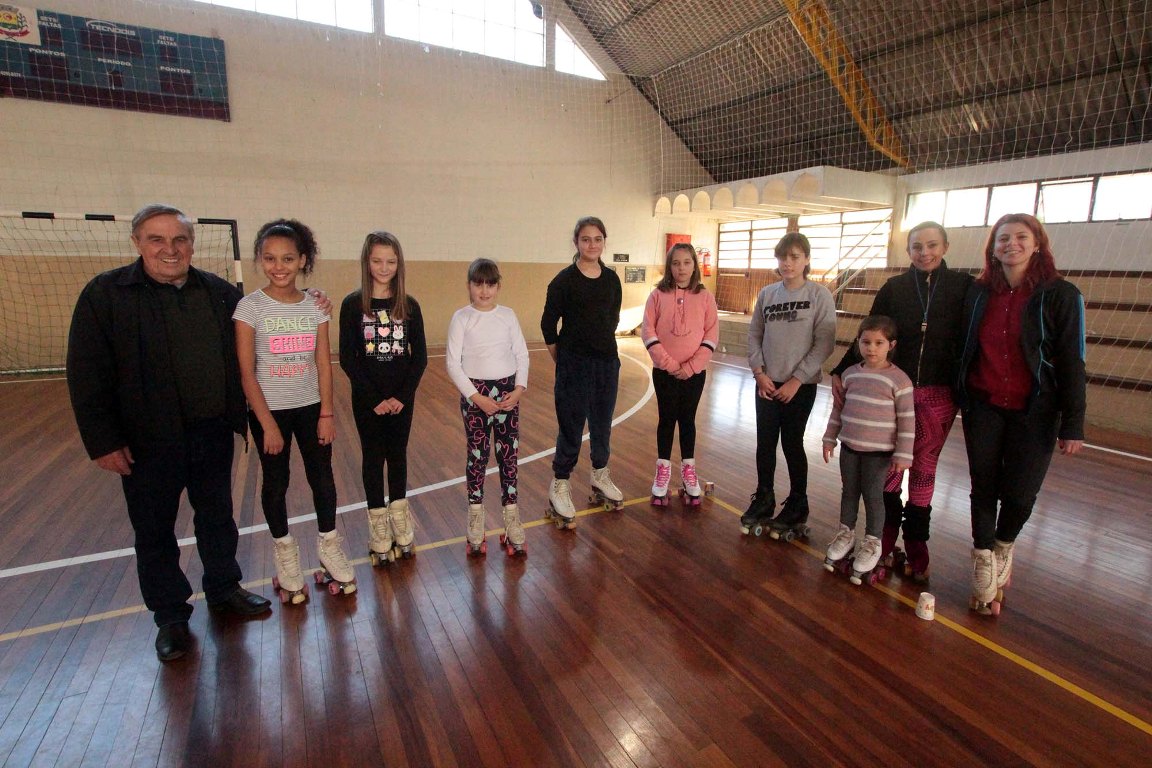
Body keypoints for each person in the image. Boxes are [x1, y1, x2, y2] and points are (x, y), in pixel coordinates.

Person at [66, 204, 273, 662]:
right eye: (156, 239)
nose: (169, 249)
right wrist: (103, 441)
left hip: (211, 431)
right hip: (146, 442)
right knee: (154, 529)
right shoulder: (106, 295)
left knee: (217, 516)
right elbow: (85, 372)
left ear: (191, 245)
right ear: (137, 243)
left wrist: (313, 301)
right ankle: (171, 616)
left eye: (179, 239)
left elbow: (263, 329)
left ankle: (224, 588)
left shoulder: (219, 294)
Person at [957, 213, 1085, 614]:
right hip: (984, 406)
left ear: (1037, 244)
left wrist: (1073, 422)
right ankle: (982, 557)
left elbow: (1072, 360)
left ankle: (1002, 545)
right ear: (993, 249)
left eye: (1020, 237)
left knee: (1020, 493)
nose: (1011, 244)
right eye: (1002, 238)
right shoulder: (978, 293)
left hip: (1036, 411)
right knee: (983, 485)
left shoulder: (1061, 295)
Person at [830, 221, 972, 583]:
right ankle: (883, 538)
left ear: (945, 246)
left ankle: (917, 545)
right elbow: (869, 332)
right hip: (893, 391)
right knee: (888, 470)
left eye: (932, 245)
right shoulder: (894, 288)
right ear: (908, 250)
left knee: (923, 470)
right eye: (917, 246)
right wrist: (841, 369)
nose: (925, 252)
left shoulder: (963, 287)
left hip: (939, 395)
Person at [234, 219, 355, 603]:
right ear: (260, 260)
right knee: (276, 482)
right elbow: (247, 373)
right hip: (270, 413)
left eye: (287, 258)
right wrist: (267, 424)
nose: (279, 266)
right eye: (270, 258)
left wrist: (327, 413)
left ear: (303, 259)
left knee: (323, 478)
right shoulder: (250, 307)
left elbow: (322, 364)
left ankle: (329, 545)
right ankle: (285, 552)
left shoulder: (315, 306)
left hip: (310, 409)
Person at [340, 230, 428, 564]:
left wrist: (402, 396)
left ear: (399, 264)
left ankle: (400, 516)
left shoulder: (409, 306)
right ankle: (378, 523)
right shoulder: (352, 305)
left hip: (402, 399)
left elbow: (419, 358)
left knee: (398, 456)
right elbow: (348, 358)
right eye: (377, 261)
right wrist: (374, 398)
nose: (384, 267)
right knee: (373, 459)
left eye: (391, 261)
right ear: (367, 262)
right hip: (368, 400)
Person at [741, 232, 837, 538]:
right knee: (765, 442)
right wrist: (759, 373)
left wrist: (797, 379)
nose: (788, 263)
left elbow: (824, 343)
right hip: (768, 383)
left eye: (794, 257)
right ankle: (764, 497)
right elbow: (755, 335)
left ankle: (797, 503)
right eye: (783, 257)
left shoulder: (819, 296)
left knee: (792, 443)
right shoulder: (768, 294)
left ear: (806, 259)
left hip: (800, 386)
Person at [540, 216, 624, 527]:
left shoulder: (612, 280)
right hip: (573, 366)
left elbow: (612, 320)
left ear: (604, 242)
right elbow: (548, 325)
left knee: (602, 425)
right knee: (571, 427)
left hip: (606, 364)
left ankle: (600, 475)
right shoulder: (563, 281)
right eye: (586, 239)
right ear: (576, 242)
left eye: (597, 239)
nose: (592, 244)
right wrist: (563, 360)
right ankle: (560, 483)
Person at [445, 258, 530, 557]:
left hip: (507, 395)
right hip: (476, 398)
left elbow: (522, 355)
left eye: (490, 284)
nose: (484, 291)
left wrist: (518, 390)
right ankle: (476, 516)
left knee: (509, 457)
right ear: (469, 285)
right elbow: (453, 364)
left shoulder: (508, 316)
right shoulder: (462, 318)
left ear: (498, 286)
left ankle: (512, 516)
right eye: (478, 284)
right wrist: (476, 397)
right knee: (477, 456)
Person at [822, 316, 915, 584]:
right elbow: (838, 410)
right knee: (849, 491)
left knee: (873, 496)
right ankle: (846, 533)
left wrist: (903, 454)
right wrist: (829, 438)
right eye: (866, 342)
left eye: (878, 343)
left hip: (879, 454)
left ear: (891, 345)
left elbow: (907, 420)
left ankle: (873, 541)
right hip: (850, 448)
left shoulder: (899, 380)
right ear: (858, 343)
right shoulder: (850, 374)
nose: (871, 348)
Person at [641, 242, 719, 506]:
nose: (681, 268)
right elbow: (648, 331)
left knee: (687, 420)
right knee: (666, 419)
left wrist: (690, 367)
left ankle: (688, 471)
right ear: (669, 267)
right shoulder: (657, 296)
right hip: (665, 373)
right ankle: (663, 471)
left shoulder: (705, 297)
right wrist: (669, 364)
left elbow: (711, 334)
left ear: (694, 265)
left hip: (694, 374)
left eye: (686, 262)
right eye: (676, 263)